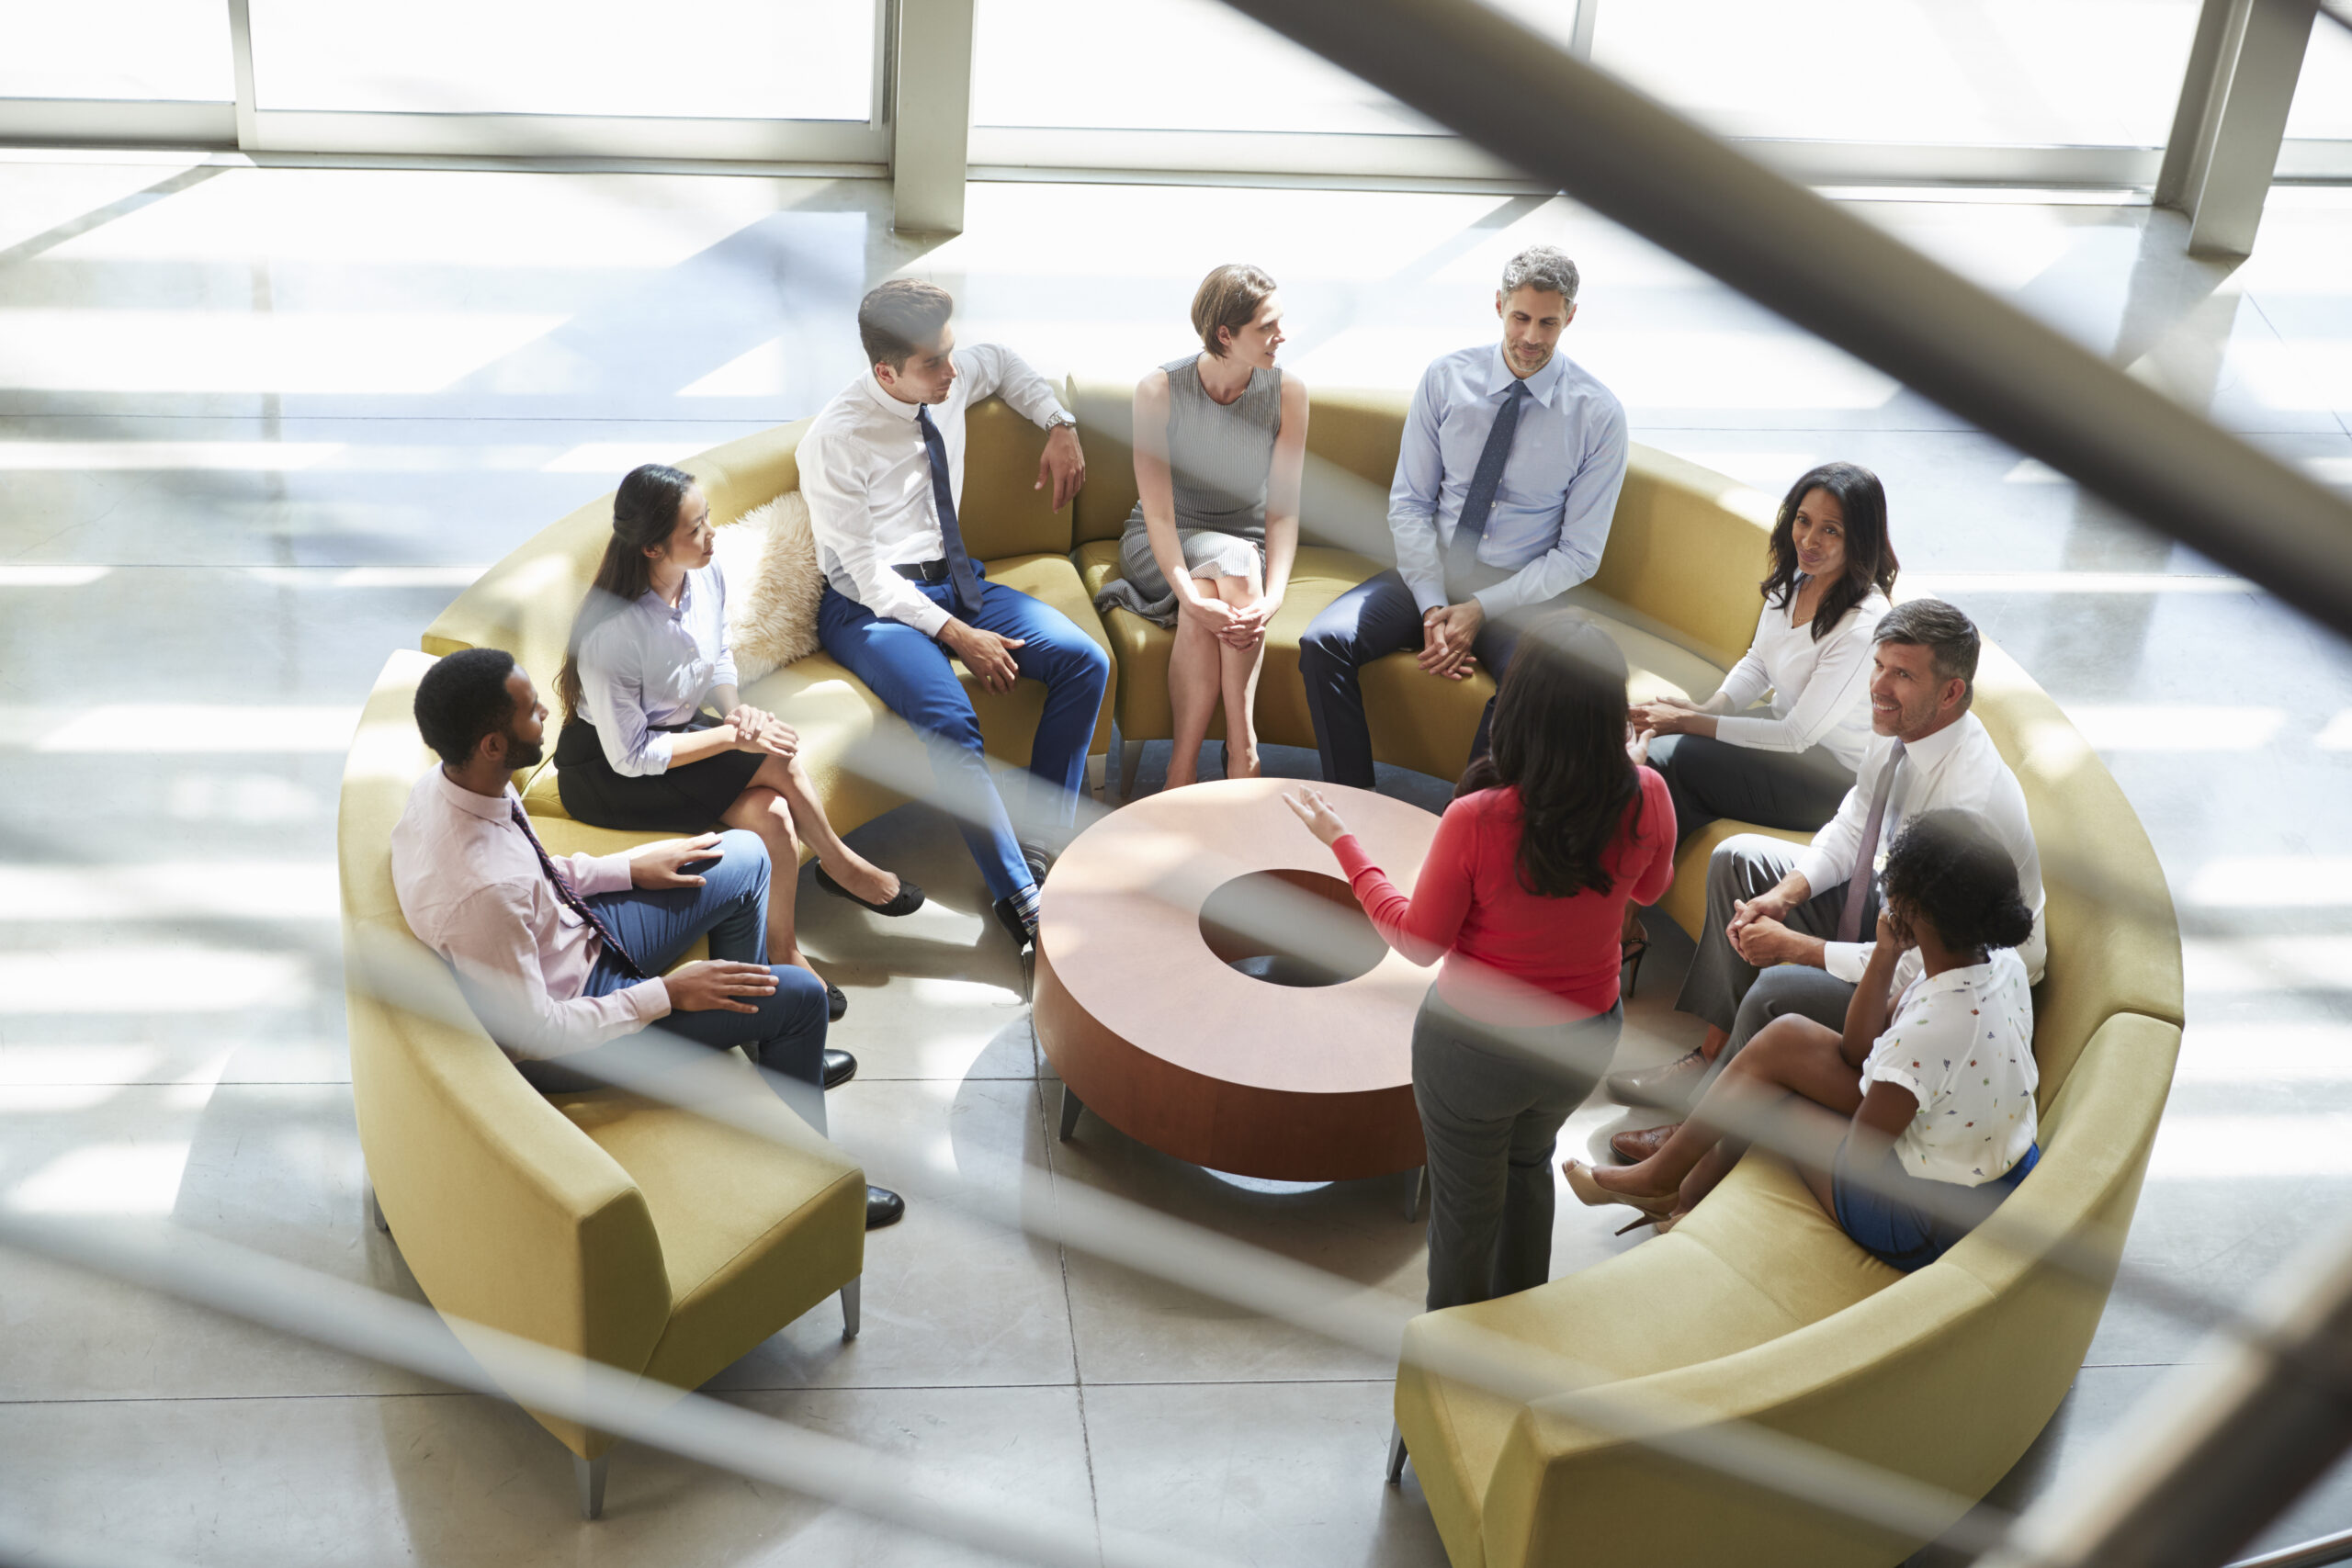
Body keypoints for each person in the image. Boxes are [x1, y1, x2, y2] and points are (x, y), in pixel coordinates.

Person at [390, 648, 902, 1229]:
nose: (547, 717)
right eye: (533, 712)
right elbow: (533, 1035)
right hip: (572, 1034)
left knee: (743, 854)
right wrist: (668, 993)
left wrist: (629, 867)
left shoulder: (456, 786)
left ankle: (766, 1049)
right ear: (492, 745)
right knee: (803, 999)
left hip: (576, 937)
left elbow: (534, 874)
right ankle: (819, 1197)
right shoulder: (483, 892)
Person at [1283, 615, 1675, 1312]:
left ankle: (1437, 1401)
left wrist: (1344, 843)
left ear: (1519, 710)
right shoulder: (1648, 795)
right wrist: (1635, 770)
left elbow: (1417, 940)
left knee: (1463, 1218)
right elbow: (1647, 888)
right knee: (1528, 1170)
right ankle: (1513, 1350)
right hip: (1583, 1039)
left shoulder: (1478, 817)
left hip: (1473, 1051)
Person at [1602, 599, 2046, 1167]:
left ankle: (1700, 1131)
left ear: (1952, 692)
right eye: (1879, 665)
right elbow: (1855, 821)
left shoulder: (1970, 797)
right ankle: (1713, 1060)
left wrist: (1801, 950)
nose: (1879, 687)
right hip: (1899, 911)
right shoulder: (1900, 725)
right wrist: (1785, 893)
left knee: (1776, 993)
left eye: (1902, 674)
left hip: (1952, 972)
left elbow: (1922, 964)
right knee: (1735, 861)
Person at [1566, 808, 2041, 1273]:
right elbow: (1857, 1050)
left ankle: (1676, 1192)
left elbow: (1859, 1158)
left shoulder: (1931, 1033)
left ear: (1911, 908)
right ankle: (1669, 1185)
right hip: (1964, 1158)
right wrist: (1885, 955)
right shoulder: (1996, 965)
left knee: (1767, 1099)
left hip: (1925, 1219)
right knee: (1785, 1037)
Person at [798, 279, 1112, 954]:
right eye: (933, 364)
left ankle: (1041, 844)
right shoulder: (837, 439)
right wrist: (954, 634)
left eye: (949, 352)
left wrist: (1060, 424)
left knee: (1086, 661)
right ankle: (1021, 901)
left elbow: (1001, 362)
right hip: (869, 609)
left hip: (957, 582)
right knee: (949, 720)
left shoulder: (953, 374)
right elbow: (863, 572)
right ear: (886, 372)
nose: (952, 371)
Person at [552, 463, 923, 1025]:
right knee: (774, 754)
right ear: (653, 548)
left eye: (708, 520)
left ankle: (783, 949)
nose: (711, 535)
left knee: (773, 815)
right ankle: (842, 866)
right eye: (695, 529)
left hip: (677, 734)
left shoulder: (704, 575)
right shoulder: (613, 636)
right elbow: (630, 757)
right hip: (607, 770)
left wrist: (735, 711)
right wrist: (732, 736)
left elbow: (718, 652)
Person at [1300, 244, 1627, 788]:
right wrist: (1434, 607)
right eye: (1520, 317)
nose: (1531, 337)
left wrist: (1479, 609)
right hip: (1432, 571)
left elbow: (1579, 554)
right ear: (1498, 304)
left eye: (1548, 322)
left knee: (1534, 688)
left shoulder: (1598, 415)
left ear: (1570, 316)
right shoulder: (1446, 378)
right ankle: (1354, 808)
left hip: (1524, 592)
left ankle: (1456, 835)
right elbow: (1410, 502)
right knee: (1323, 642)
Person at [1093, 263, 1309, 788]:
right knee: (1221, 580)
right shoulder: (1158, 391)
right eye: (1267, 327)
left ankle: (1181, 768)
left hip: (1242, 549)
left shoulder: (1288, 393)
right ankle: (1245, 754)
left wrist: (1274, 598)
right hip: (1159, 541)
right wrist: (1187, 594)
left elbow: (1281, 511)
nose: (1282, 336)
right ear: (1225, 335)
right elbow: (1160, 513)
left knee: (1226, 580)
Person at [1632, 461, 1896, 842]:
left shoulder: (1863, 627)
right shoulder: (1797, 577)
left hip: (1831, 779)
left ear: (1860, 539)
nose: (1808, 540)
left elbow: (1795, 736)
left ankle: (1617, 891)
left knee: (1663, 759)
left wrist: (1684, 721)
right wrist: (1710, 709)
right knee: (1644, 742)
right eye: (1803, 520)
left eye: (1831, 530)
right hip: (1783, 739)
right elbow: (1759, 659)